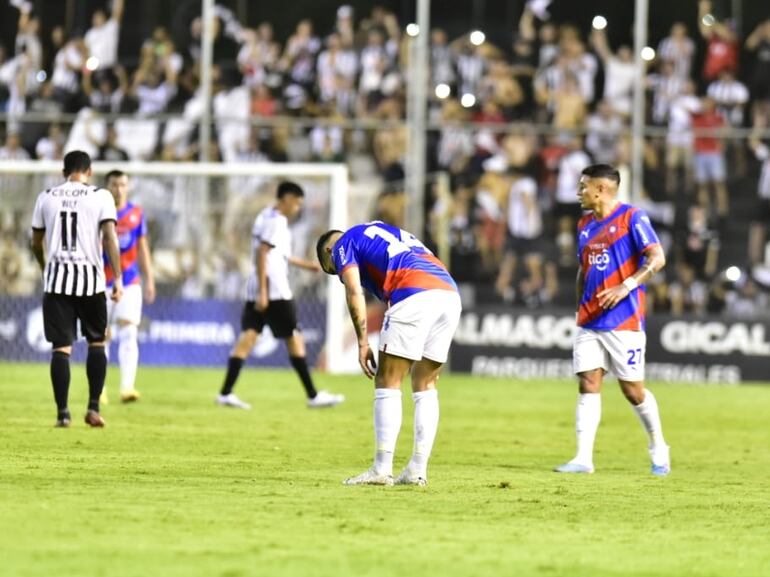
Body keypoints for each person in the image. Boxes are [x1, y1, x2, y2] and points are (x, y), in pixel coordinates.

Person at [316, 221, 462, 486]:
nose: (340, 272)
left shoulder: (342, 244)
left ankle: (382, 468)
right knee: (425, 383)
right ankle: (417, 469)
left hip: (414, 291)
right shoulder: (383, 231)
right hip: (449, 293)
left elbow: (353, 290)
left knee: (387, 380)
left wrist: (362, 343)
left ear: (329, 250)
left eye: (334, 269)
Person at [554, 164, 670, 476]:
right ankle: (583, 458)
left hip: (625, 320)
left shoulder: (633, 217)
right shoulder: (584, 225)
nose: (579, 192)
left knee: (632, 390)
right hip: (589, 319)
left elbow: (657, 258)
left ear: (600, 189)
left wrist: (627, 285)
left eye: (583, 187)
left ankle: (658, 445)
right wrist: (580, 306)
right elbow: (584, 268)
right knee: (588, 382)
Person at [217, 181, 344, 410]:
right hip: (274, 290)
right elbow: (263, 254)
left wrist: (306, 265)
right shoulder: (276, 222)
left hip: (257, 287)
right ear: (286, 199)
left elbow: (278, 254)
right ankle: (313, 395)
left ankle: (226, 392)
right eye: (296, 204)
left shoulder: (265, 216)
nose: (297, 209)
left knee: (248, 337)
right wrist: (265, 293)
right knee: (294, 338)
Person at [29, 150, 123, 428]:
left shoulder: (46, 196)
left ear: (63, 171)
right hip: (91, 282)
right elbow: (109, 237)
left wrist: (45, 266)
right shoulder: (102, 196)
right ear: (90, 171)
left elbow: (35, 241)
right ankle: (93, 408)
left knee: (61, 348)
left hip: (57, 282)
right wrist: (117, 278)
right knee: (97, 342)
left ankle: (63, 414)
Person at [102, 170, 156, 403]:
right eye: (114, 184)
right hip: (100, 280)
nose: (119, 189)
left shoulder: (136, 213)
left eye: (123, 184)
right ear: (107, 186)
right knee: (101, 336)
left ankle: (127, 387)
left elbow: (142, 248)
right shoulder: (98, 210)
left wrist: (150, 278)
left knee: (129, 331)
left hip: (130, 280)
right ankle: (99, 389)